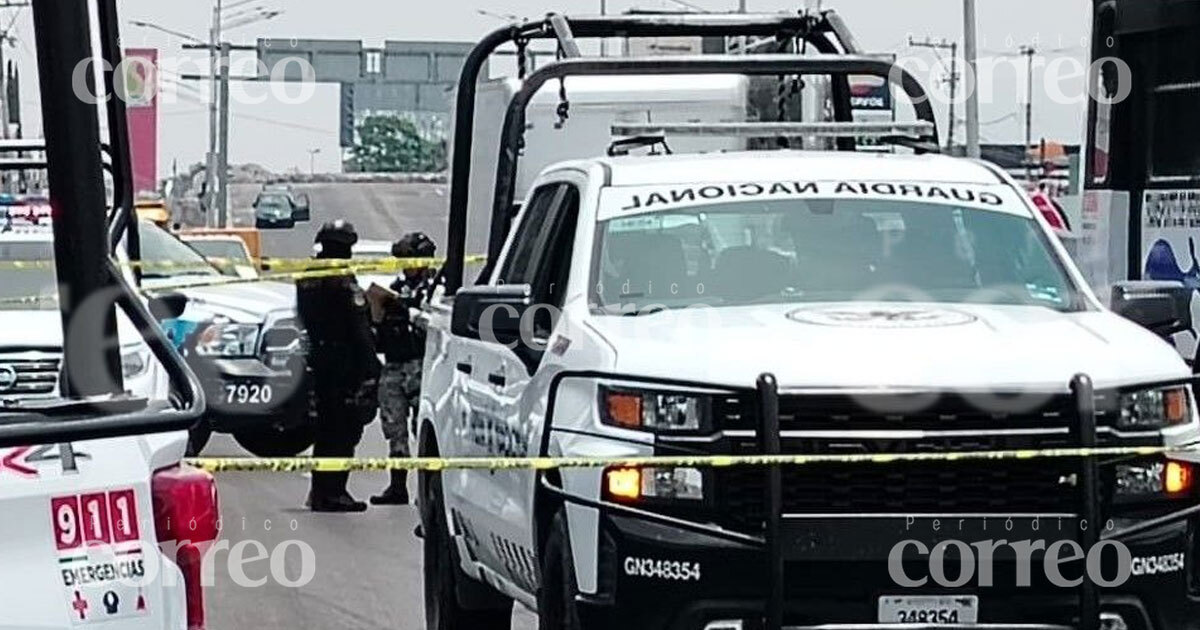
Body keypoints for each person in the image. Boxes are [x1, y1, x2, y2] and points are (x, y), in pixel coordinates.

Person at [296, 220, 381, 513]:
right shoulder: (342, 280)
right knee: (343, 430)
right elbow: (359, 328)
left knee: (325, 429)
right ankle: (333, 491)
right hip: (344, 363)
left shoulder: (307, 276)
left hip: (318, 359)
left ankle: (320, 490)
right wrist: (371, 368)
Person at [371, 232, 438, 505]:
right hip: (395, 364)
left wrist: (409, 311)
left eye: (410, 259)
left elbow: (436, 322)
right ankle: (397, 485)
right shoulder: (397, 285)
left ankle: (429, 493)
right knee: (393, 426)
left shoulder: (437, 287)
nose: (406, 265)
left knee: (423, 429)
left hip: (422, 364)